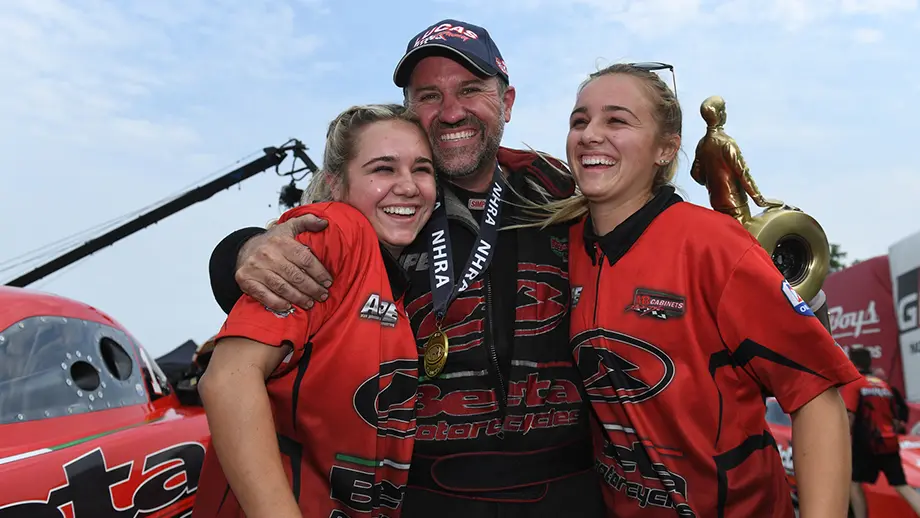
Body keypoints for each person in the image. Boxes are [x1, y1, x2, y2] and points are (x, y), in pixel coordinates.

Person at [206, 19, 604, 517]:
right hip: (424, 496)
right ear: (412, 111)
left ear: (506, 102)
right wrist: (241, 251)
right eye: (430, 95)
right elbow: (307, 251)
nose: (452, 109)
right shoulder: (387, 208)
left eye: (472, 90)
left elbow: (649, 241)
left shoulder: (562, 190)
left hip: (570, 490)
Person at [525, 62, 860, 517]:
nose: (589, 134)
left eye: (616, 119)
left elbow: (816, 395)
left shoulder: (714, 246)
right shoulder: (565, 246)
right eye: (579, 120)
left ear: (667, 148)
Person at [192, 104, 436, 518]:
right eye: (383, 169)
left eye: (422, 169)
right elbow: (227, 380)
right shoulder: (336, 230)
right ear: (335, 183)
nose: (408, 186)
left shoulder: (397, 277)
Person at [841, 348, 920, 518]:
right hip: (889, 443)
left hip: (865, 445)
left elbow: (849, 416)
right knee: (901, 486)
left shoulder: (854, 384)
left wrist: (841, 442)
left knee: (853, 483)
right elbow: (897, 418)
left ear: (852, 363)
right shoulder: (884, 385)